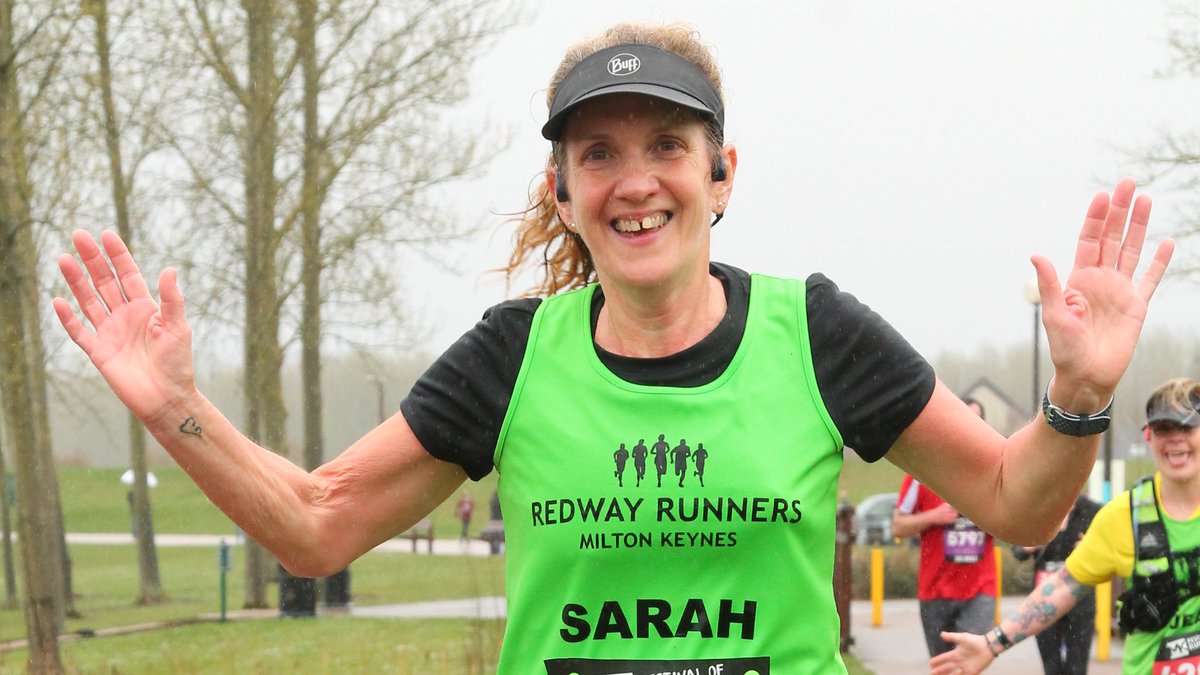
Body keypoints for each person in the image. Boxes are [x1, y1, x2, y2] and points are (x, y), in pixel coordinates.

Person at [53, 21, 1173, 673]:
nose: (635, 179)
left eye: (667, 146)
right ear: (564, 189)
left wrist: (1077, 396)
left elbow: (1019, 506)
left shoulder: (817, 332)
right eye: (598, 154)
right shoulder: (512, 357)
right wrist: (173, 411)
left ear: (723, 173)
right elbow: (317, 527)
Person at [932, 378, 1200, 675]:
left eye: (1186, 426)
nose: (1175, 438)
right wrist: (992, 644)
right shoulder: (1125, 516)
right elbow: (1063, 586)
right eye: (1164, 428)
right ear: (1149, 436)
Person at [893, 398, 997, 657]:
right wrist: (934, 517)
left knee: (968, 664)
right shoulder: (923, 471)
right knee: (942, 665)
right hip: (935, 590)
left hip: (980, 590)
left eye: (978, 421)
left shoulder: (994, 472)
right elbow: (898, 526)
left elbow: (1013, 523)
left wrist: (988, 517)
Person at [1010, 493, 1101, 674]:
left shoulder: (1091, 510)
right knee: (1051, 666)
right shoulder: (1037, 509)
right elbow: (1017, 551)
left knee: (1077, 667)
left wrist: (1092, 546)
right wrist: (1028, 546)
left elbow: (1109, 543)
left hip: (1079, 596)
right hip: (1043, 597)